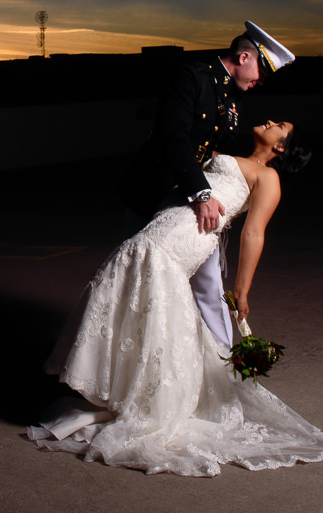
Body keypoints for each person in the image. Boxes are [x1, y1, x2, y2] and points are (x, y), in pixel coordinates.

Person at [27, 120, 323, 476]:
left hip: (189, 236)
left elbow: (253, 233)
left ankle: (152, 401)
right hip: (166, 218)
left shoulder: (267, 177)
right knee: (132, 282)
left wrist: (241, 289)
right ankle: (128, 387)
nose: (270, 121)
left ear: (281, 147)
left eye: (279, 125)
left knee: (154, 274)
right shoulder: (228, 154)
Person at [119, 21, 295, 348]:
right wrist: (200, 192)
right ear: (244, 57)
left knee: (211, 286)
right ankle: (130, 359)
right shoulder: (193, 77)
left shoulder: (233, 100)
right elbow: (173, 138)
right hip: (153, 190)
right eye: (261, 71)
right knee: (136, 280)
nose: (261, 81)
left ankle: (225, 365)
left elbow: (220, 154)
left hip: (192, 205)